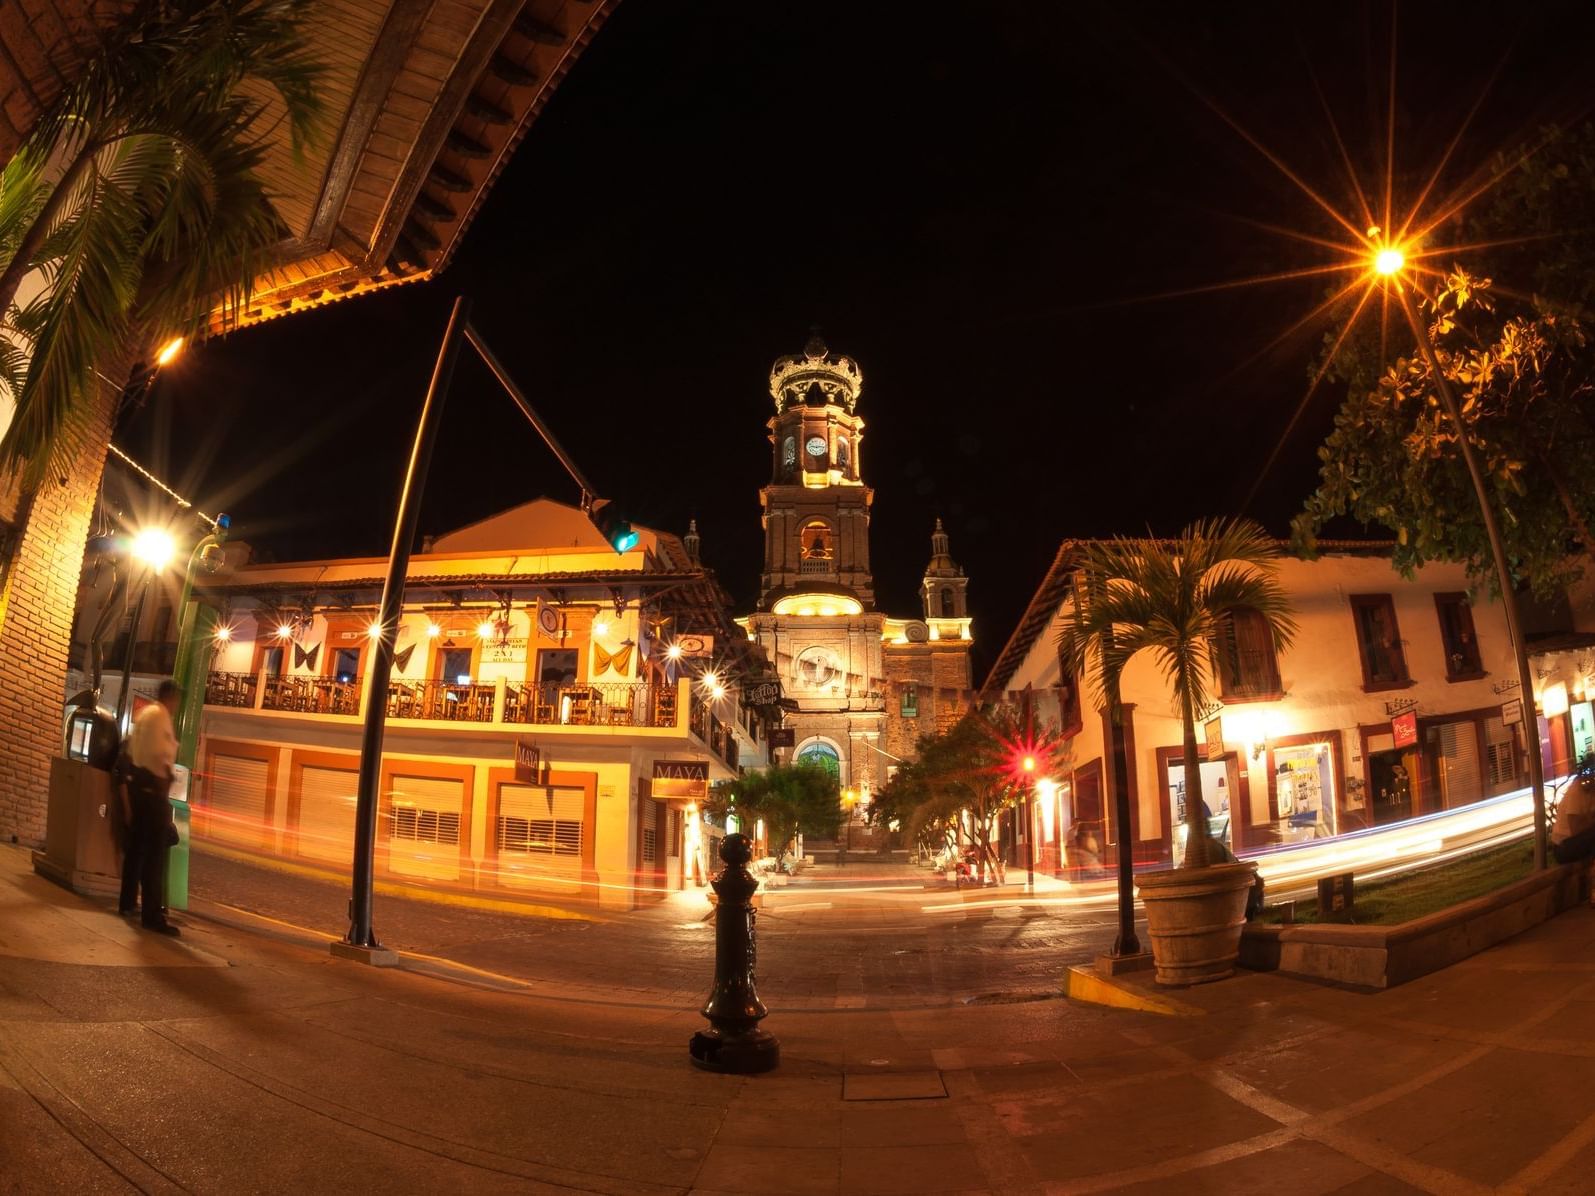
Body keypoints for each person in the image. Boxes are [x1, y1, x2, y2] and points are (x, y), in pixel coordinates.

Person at [119, 680, 182, 936]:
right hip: (152, 790)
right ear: (171, 697)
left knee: (136, 850)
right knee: (154, 856)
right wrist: (164, 783)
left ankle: (126, 902)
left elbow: (133, 748)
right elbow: (160, 755)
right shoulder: (160, 716)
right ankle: (152, 915)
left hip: (137, 786)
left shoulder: (144, 714)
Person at [1552, 771, 1595, 865]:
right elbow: (1575, 829)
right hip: (1564, 846)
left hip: (1580, 841)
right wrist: (1590, 820)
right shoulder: (1577, 789)